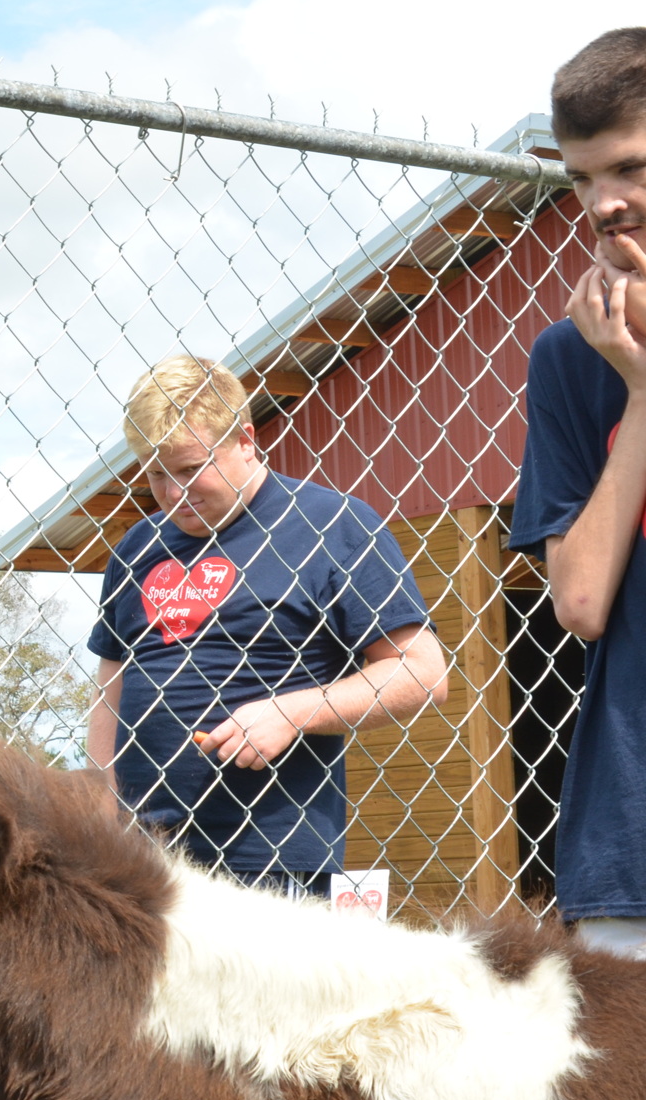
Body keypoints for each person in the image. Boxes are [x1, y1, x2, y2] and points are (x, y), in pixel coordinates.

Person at [87, 355, 448, 895]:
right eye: (155, 472)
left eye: (189, 468)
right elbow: (112, 684)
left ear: (246, 440)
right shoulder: (138, 547)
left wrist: (291, 713)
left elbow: (421, 673)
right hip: (141, 859)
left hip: (270, 861)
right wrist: (99, 796)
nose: (172, 492)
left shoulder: (332, 525)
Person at [508, 28, 646, 957]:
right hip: (630, 837)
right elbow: (583, 600)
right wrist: (639, 389)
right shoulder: (570, 356)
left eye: (630, 167)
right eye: (579, 179)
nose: (603, 203)